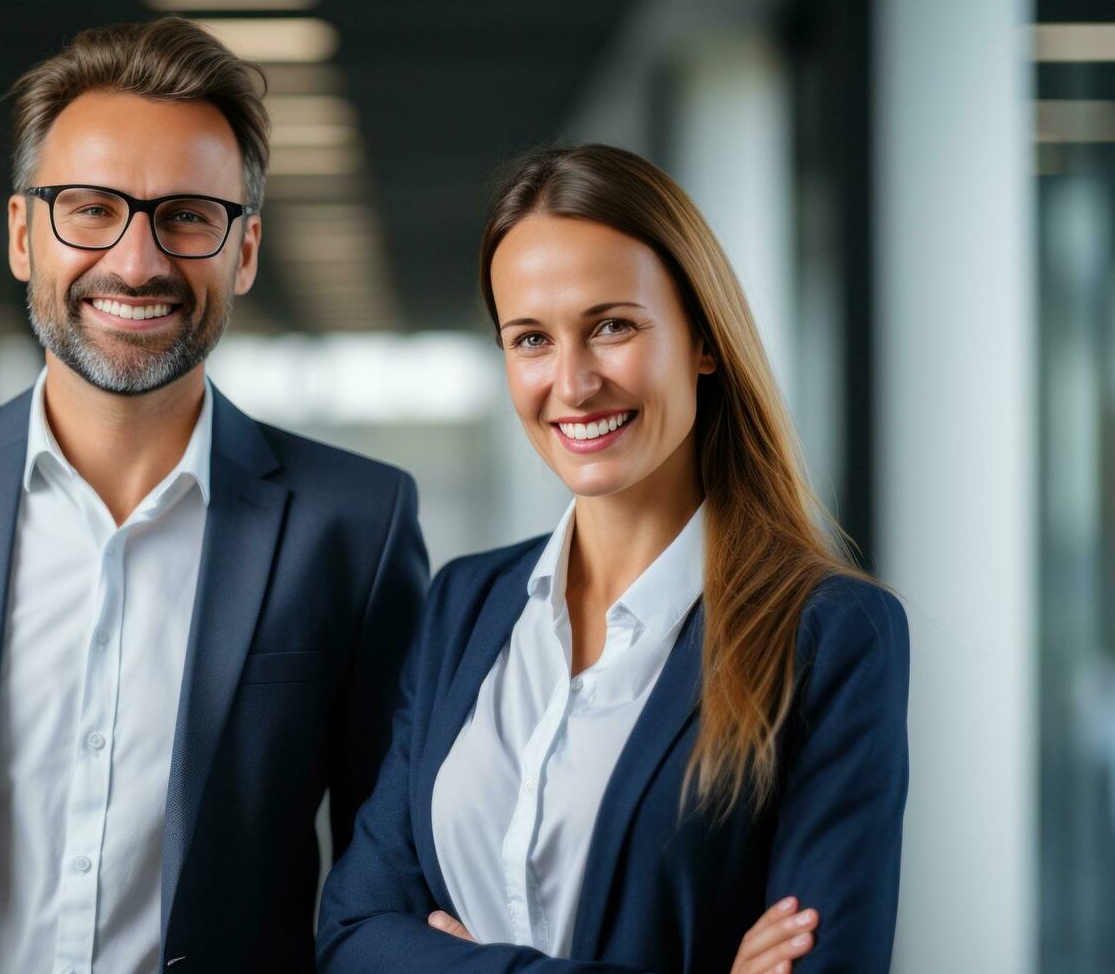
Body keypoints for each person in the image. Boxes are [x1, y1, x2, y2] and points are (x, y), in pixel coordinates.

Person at [0, 18, 428, 974]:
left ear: (246, 250)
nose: (138, 262)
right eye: (91, 209)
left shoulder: (354, 524)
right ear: (24, 234)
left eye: (188, 214)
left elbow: (382, 871)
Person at [316, 144, 909, 973]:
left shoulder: (829, 634)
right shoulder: (466, 605)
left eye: (612, 327)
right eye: (530, 339)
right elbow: (351, 935)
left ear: (704, 339)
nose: (574, 381)